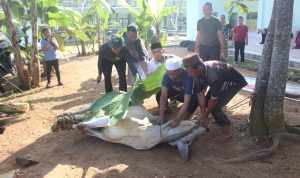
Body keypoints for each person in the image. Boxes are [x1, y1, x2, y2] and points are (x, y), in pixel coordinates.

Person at [183, 54, 248, 141]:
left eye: (190, 72)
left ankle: (226, 132)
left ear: (199, 67)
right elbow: (200, 94)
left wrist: (206, 115)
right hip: (220, 82)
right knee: (207, 103)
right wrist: (203, 115)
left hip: (233, 82)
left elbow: (214, 99)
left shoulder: (213, 74)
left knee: (215, 108)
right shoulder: (196, 74)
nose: (189, 74)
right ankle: (224, 120)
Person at [156, 58, 198, 128]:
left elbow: (187, 102)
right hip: (176, 91)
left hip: (186, 94)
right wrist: (161, 115)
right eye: (169, 74)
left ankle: (187, 116)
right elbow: (163, 96)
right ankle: (166, 109)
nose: (171, 77)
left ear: (180, 70)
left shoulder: (188, 77)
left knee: (194, 100)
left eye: (173, 74)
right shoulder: (166, 76)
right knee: (159, 95)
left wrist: (177, 119)